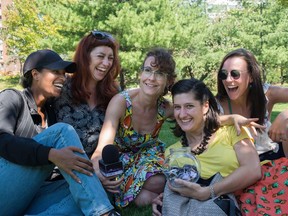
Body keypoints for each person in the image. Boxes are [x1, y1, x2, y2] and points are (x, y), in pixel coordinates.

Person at [0, 49, 119, 216]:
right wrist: (50, 154)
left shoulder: (51, 112)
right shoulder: (12, 98)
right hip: (4, 189)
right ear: (35, 74)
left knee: (94, 190)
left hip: (31, 194)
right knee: (62, 131)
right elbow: (2, 141)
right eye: (55, 72)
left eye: (64, 74)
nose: (63, 78)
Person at [152, 78, 261, 216]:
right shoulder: (173, 153)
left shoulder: (232, 130)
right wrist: (164, 200)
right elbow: (180, 188)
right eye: (177, 107)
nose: (182, 114)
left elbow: (253, 169)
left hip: (241, 199)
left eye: (189, 106)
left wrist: (209, 192)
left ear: (205, 106)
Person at [92, 48, 177, 208]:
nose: (151, 78)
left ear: (169, 80)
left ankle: (155, 194)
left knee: (159, 181)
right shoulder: (121, 102)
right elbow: (101, 148)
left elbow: (195, 115)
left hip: (148, 158)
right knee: (144, 197)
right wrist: (98, 172)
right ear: (141, 74)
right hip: (121, 161)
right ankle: (163, 196)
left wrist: (229, 118)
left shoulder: (165, 108)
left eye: (159, 73)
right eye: (148, 70)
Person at [216, 48, 288, 215]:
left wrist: (284, 115)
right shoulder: (216, 105)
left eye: (235, 74)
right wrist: (230, 118)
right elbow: (198, 120)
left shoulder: (266, 93)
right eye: (223, 74)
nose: (228, 80)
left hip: (275, 157)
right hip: (244, 168)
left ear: (250, 77)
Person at [54, 30, 121, 158]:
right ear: (85, 57)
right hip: (64, 165)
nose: (106, 63)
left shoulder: (114, 94)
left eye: (110, 58)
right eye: (100, 56)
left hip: (100, 167)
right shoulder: (62, 88)